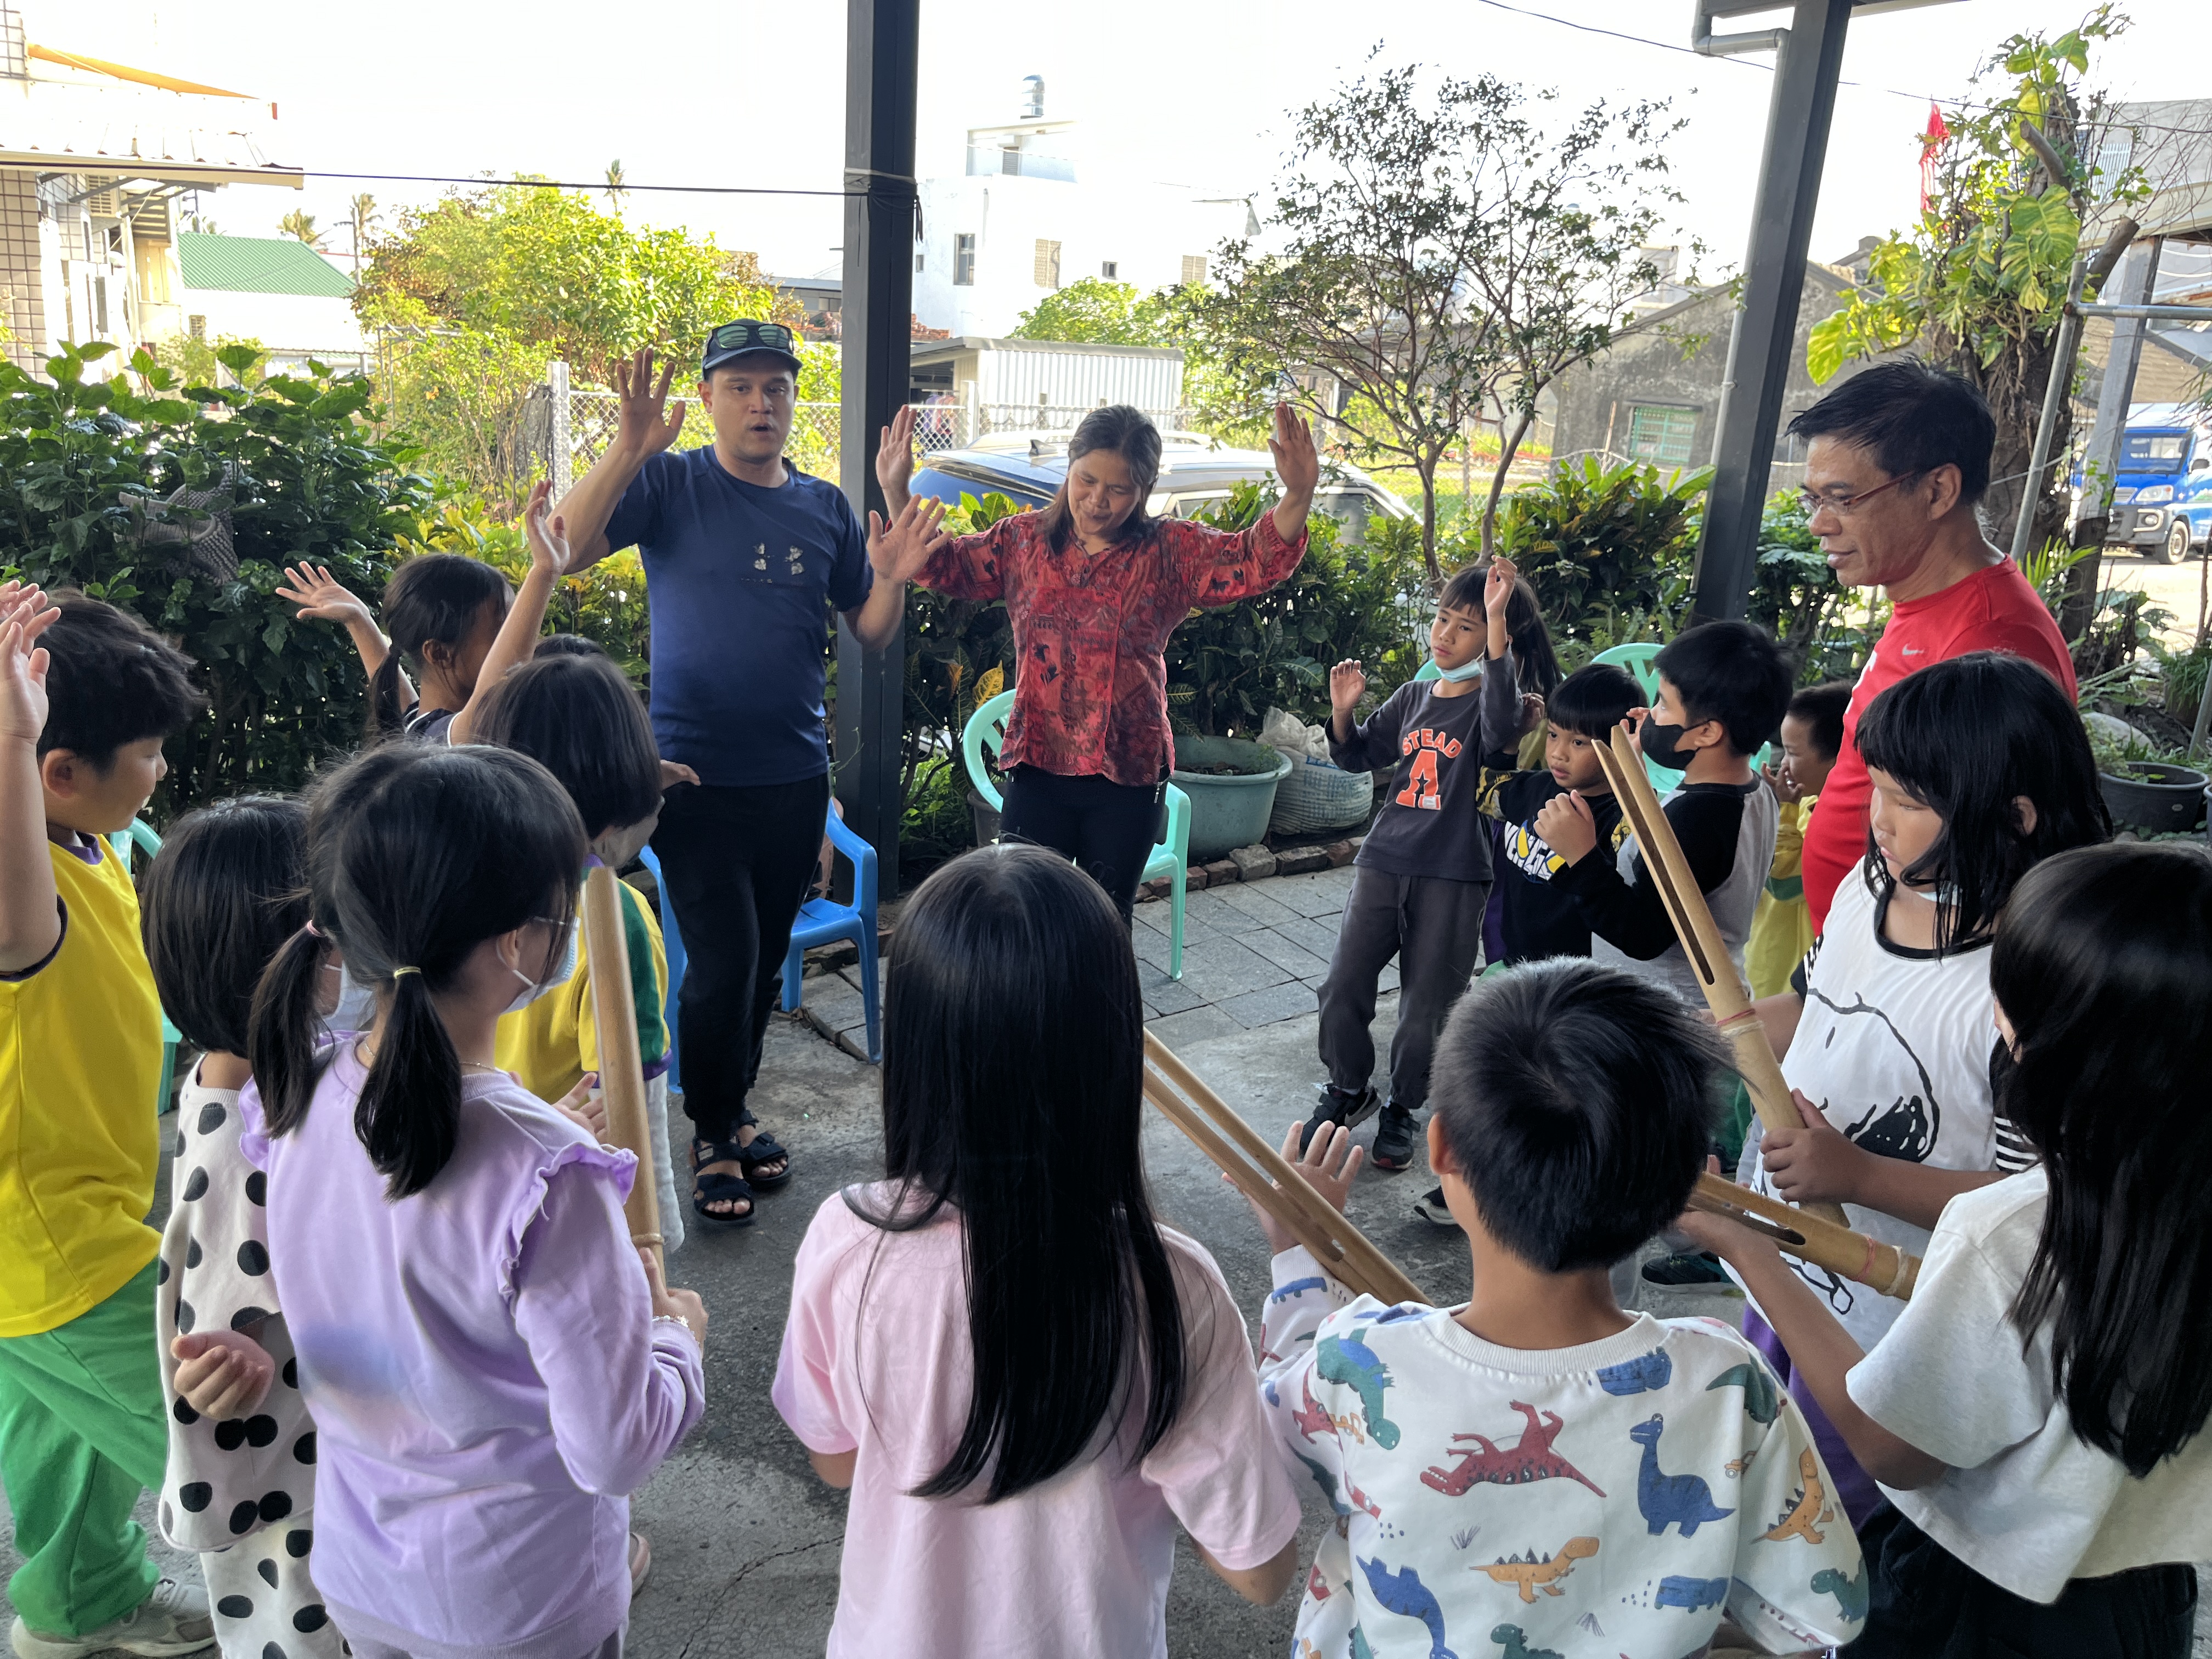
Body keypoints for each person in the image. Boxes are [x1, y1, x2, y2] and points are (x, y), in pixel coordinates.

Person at [772, 845, 1302, 1658]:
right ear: (1112, 1054)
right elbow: (1258, 1571)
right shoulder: (1175, 1287)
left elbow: (838, 1462)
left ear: (915, 1052)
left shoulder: (848, 1243)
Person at [1684, 842, 2211, 1658]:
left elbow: (1895, 1450)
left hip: (1974, 1601)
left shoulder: (2013, 1230)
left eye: (2012, 991)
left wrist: (1747, 1246)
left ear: (2059, 1039)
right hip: (2143, 1599)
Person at [1254, 958, 1866, 1659]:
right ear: (1686, 1180)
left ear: (1442, 1147)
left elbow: (1254, 1455)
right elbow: (1823, 1616)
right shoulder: (1728, 1383)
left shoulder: (1357, 1354)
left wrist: (1300, 1261)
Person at [240, 744, 707, 1659]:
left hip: (363, 1572)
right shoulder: (550, 1173)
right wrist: (675, 1340)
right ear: (517, 945)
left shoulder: (291, 1098)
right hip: (521, 1600)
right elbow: (614, 1449)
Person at [551, 331, 949, 1223]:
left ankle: (731, 1110)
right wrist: (626, 445)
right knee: (721, 963)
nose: (761, 403)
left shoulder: (822, 507)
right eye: (741, 387)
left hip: (793, 782)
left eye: (775, 387)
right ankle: (709, 1127)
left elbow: (871, 627)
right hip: (690, 782)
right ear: (709, 395)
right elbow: (566, 548)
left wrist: (893, 579)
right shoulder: (669, 482)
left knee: (764, 962)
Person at [1730, 652, 2110, 1526]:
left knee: (1827, 1525)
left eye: (1910, 801)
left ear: (2013, 819)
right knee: (1754, 1472)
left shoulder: (2033, 980)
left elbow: (2024, 1206)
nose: (1878, 820)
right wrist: (1720, 1031)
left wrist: (1855, 1175)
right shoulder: (1876, 884)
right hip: (1782, 1260)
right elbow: (1816, 1000)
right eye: (1879, 788)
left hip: (1888, 1325)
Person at [871, 399, 1318, 918]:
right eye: (1086, 480)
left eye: (1119, 489)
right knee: (1025, 918)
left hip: (1127, 772)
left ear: (1144, 490)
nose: (1097, 500)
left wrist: (1299, 492)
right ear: (1070, 467)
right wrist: (895, 488)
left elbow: (1251, 559)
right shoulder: (1022, 541)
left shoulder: (1169, 550)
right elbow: (939, 563)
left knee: (1105, 921)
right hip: (1038, 765)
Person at [0, 589, 216, 1659]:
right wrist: (9, 729)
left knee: (67, 1448)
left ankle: (73, 1610)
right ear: (55, 770)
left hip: (84, 1206)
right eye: (148, 751)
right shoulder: (18, 894)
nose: (163, 769)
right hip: (59, 1252)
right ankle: (334, 1616)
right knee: (216, 1434)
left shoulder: (101, 834)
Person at [138, 798, 342, 1659]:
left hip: (312, 1461)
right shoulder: (241, 1129)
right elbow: (214, 1339)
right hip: (286, 1490)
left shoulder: (262, 1069)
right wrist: (230, 1362)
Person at [1784, 360, 2076, 930]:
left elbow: (1989, 859)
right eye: (1812, 500)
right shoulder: (1924, 598)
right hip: (1857, 950)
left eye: (1842, 499)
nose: (1819, 524)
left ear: (1938, 489)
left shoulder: (1990, 643)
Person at [1302, 558, 1529, 1172]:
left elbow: (1504, 726)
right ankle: (1349, 1089)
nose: (1446, 634)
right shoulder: (1411, 697)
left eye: (1467, 626)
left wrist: (1501, 616)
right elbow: (1356, 759)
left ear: (1493, 640)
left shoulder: (1498, 706)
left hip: (1455, 872)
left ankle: (1404, 1106)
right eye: (1442, 619)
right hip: (1385, 860)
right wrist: (1343, 712)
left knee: (1427, 1005)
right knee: (1343, 982)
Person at [478, 649, 689, 1245]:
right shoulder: (613, 915)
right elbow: (633, 1087)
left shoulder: (459, 887)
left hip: (482, 1177)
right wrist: (655, 1232)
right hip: (575, 1194)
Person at [1538, 620, 1791, 1004]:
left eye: (1663, 704)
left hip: (1664, 1012)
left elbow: (1642, 934)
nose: (1651, 714)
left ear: (1707, 733)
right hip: (1698, 998)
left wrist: (1581, 858)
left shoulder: (1700, 819)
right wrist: (1637, 766)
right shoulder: (1749, 791)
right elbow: (1674, 855)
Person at [280, 482, 573, 746]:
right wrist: (544, 573)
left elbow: (393, 690)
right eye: (502, 631)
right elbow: (496, 689)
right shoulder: (446, 743)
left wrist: (359, 620)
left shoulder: (416, 727)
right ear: (438, 652)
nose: (521, 642)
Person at [1479, 660, 1644, 968]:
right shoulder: (1535, 787)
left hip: (1578, 980)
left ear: (1619, 745)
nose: (1557, 753)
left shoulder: (1619, 818)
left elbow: (1648, 839)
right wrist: (1514, 740)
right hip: (1516, 964)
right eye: (1553, 735)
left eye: (1578, 742)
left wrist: (1634, 770)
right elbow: (1486, 791)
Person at [1744, 680, 1851, 1000]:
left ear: (1838, 759)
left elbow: (1784, 882)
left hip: (1785, 972)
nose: (1783, 764)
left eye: (1792, 752)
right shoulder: (1808, 802)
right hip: (1765, 951)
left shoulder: (1831, 823)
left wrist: (1785, 811)